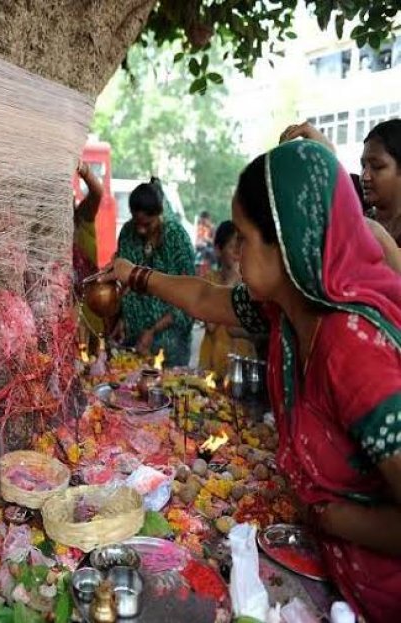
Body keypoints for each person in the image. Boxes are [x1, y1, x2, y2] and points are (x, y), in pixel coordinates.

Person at [101, 140, 401, 621]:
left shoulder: (353, 350)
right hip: (336, 576)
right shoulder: (284, 308)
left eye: (244, 236)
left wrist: (332, 515)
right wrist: (133, 274)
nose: (234, 252)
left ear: (286, 247)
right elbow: (204, 297)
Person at [113, 178, 195, 364]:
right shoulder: (127, 232)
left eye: (147, 224)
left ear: (160, 214)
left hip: (170, 342)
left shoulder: (176, 237)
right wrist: (122, 320)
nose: (141, 230)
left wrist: (153, 330)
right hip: (134, 340)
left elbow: (188, 294)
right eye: (137, 222)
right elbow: (125, 284)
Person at [281, 119, 401, 245]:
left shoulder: (360, 221)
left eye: (377, 166)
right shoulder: (358, 204)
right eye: (363, 166)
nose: (364, 176)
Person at [198, 220, 255, 377]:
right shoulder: (210, 280)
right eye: (232, 247)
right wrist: (231, 283)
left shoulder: (252, 285)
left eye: (241, 247)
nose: (238, 253)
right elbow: (210, 325)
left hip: (241, 365)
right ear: (218, 250)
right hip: (212, 364)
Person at [73, 160, 104, 352]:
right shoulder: (44, 234)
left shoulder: (83, 217)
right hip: (64, 315)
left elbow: (97, 192)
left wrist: (83, 169)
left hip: (90, 309)